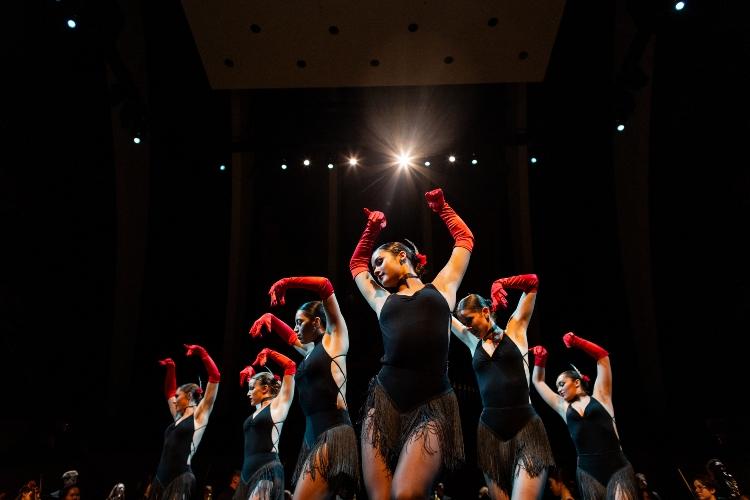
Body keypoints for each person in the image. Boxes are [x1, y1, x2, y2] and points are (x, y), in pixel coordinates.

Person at [349, 187, 474, 499]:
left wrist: (442, 208)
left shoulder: (442, 287)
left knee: (407, 494)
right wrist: (371, 231)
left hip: (432, 403)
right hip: (384, 403)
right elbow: (356, 265)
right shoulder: (381, 300)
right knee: (380, 497)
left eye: (381, 262)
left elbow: (464, 241)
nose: (375, 271)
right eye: (374, 266)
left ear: (401, 256)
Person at [250, 275, 359, 499]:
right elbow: (290, 338)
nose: (296, 327)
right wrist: (270, 317)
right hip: (312, 435)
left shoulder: (335, 339)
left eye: (300, 322)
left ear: (317, 322)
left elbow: (325, 285)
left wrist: (286, 283)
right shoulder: (311, 353)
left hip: (332, 431)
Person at [451, 273, 554, 499]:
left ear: (485, 312)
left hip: (525, 427)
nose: (466, 327)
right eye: (463, 321)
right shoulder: (472, 341)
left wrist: (502, 283)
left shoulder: (515, 329)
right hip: (490, 433)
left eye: (469, 320)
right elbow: (440, 310)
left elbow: (533, 283)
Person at [530, 333, 638, 500]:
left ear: (577, 382)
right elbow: (538, 382)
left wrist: (577, 342)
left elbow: (602, 357)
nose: (558, 389)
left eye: (561, 384)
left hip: (617, 468)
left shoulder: (601, 396)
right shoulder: (563, 407)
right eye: (557, 386)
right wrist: (540, 360)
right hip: (588, 474)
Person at [150, 344, 221, 500]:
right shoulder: (178, 416)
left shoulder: (199, 416)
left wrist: (203, 353)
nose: (174, 400)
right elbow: (169, 391)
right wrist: (171, 368)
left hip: (180, 478)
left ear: (188, 396)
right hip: (160, 477)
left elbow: (215, 377)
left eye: (178, 396)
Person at [235, 346, 296, 500]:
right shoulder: (258, 410)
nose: (248, 393)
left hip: (266, 470)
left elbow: (290, 366)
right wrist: (252, 375)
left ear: (265, 389)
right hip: (246, 474)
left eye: (251, 388)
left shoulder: (278, 406)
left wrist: (270, 353)